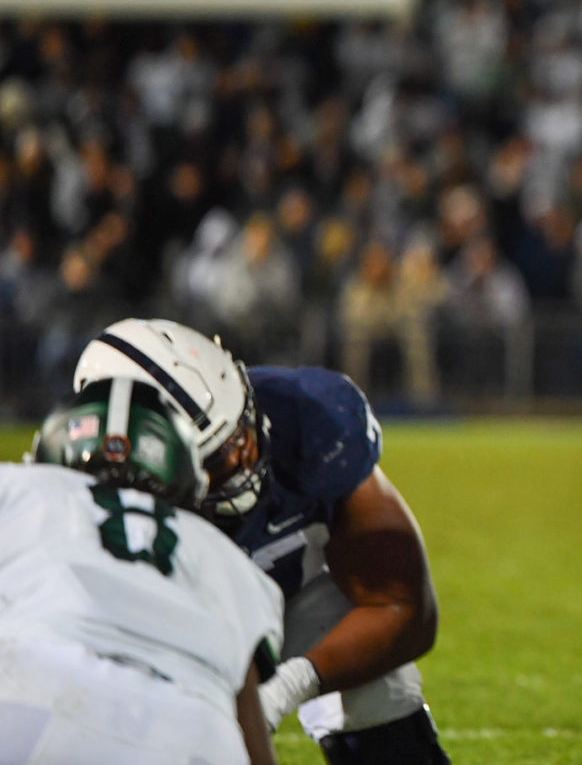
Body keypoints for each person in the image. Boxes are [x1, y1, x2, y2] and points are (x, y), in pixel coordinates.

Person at [73, 317, 450, 764]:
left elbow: (404, 607)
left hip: (284, 598)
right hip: (167, 637)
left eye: (242, 433)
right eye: (218, 459)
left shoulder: (310, 416)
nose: (244, 457)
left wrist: (289, 685)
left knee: (376, 686)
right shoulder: (93, 508)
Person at [2, 375, 283, 765]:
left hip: (38, 690)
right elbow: (250, 728)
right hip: (195, 732)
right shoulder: (226, 557)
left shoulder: (21, 490)